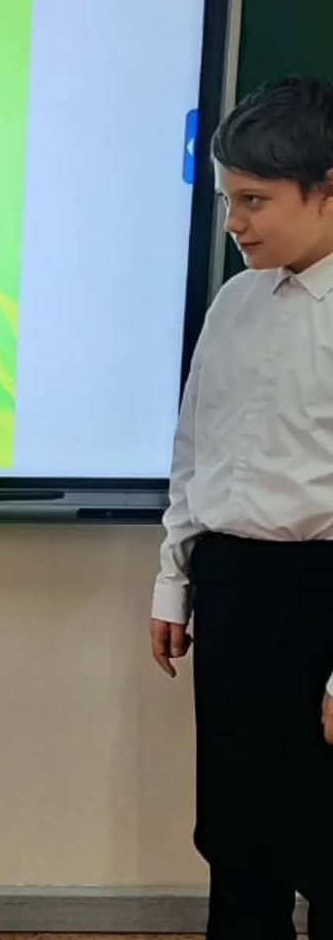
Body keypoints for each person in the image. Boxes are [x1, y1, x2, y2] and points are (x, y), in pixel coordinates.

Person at [151, 76, 333, 940]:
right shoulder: (234, 303)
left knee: (326, 841)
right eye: (229, 199)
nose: (235, 222)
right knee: (237, 839)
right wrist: (174, 582)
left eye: (255, 200)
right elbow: (196, 449)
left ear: (327, 189)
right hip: (232, 589)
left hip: (322, 596)